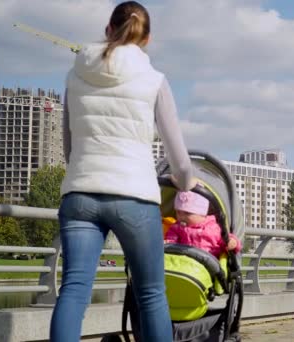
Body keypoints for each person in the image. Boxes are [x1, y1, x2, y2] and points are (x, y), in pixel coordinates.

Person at [50, 2, 193, 341]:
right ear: (147, 40)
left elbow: (69, 147)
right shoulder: (154, 80)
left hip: (80, 193)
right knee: (152, 294)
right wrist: (184, 182)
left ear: (107, 30)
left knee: (73, 290)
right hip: (134, 195)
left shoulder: (75, 75)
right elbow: (179, 159)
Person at [164, 191, 241, 257]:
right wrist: (168, 243)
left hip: (208, 264)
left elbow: (225, 238)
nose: (181, 217)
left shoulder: (213, 227)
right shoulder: (177, 228)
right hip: (184, 262)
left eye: (187, 213)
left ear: (202, 214)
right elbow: (171, 240)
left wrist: (233, 242)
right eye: (178, 212)